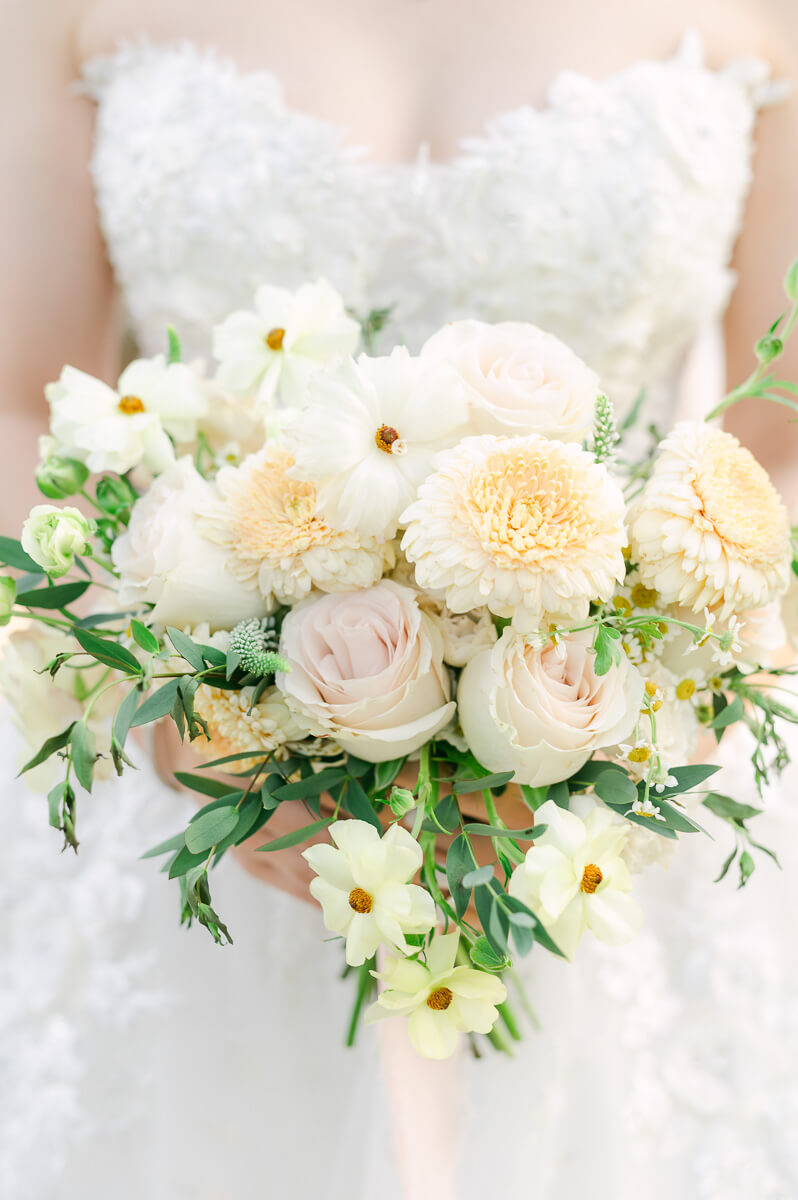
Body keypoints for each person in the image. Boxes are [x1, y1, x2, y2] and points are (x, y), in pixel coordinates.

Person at [2, 2, 798, 1196]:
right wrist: (176, 718)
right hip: (191, 801)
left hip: (611, 819)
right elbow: (21, 398)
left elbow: (778, 448)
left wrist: (653, 718)